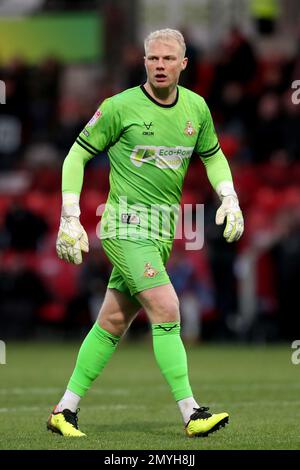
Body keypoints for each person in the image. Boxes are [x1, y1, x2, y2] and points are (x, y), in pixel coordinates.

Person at [47, 29, 244, 438]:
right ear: (144, 61)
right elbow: (76, 155)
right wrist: (69, 215)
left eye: (168, 59)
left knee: (113, 322)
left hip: (161, 233)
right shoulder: (119, 107)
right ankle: (191, 412)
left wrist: (229, 197)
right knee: (167, 307)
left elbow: (214, 156)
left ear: (183, 64)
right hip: (123, 227)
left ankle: (64, 411)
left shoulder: (197, 109)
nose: (159, 65)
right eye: (153, 58)